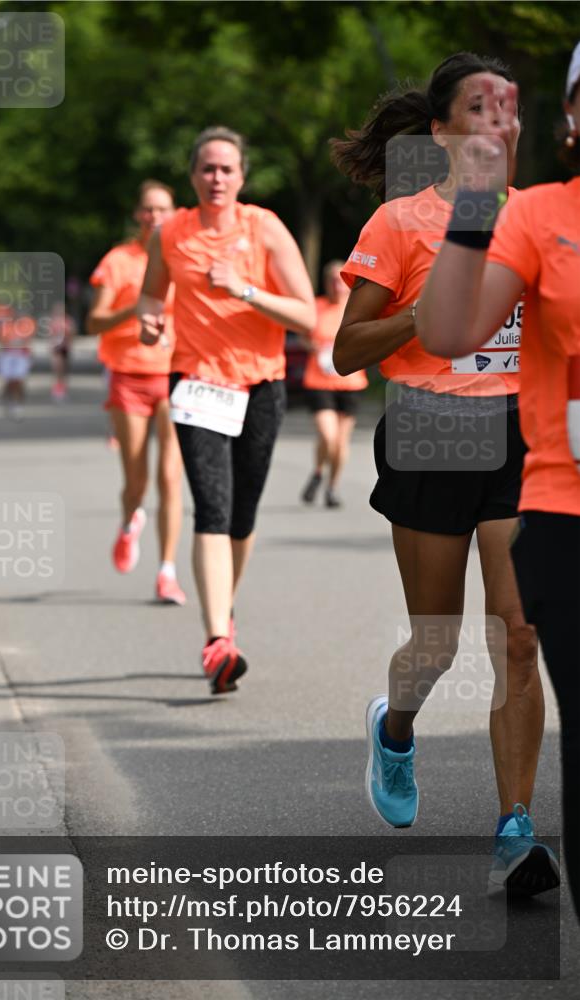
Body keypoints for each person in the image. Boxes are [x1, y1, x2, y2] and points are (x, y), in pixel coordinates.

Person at [331, 52, 558, 895]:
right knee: (434, 642)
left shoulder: (536, 220)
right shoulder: (399, 222)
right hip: (429, 430)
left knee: (518, 636)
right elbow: (344, 351)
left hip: (517, 435)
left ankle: (514, 831)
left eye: (508, 110)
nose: (498, 124)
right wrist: (415, 320)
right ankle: (394, 728)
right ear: (439, 131)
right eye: (478, 109)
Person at [416, 46, 580, 917]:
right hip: (532, 484)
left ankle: (514, 824)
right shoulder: (534, 215)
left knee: (515, 640)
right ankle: (411, 735)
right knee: (461, 642)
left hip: (518, 458)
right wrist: (478, 203)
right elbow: (441, 333)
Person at [137, 126, 315, 693]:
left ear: (242, 177)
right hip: (196, 384)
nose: (217, 178)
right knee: (211, 508)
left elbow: (307, 315)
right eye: (207, 168)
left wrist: (243, 289)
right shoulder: (170, 232)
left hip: (260, 385)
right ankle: (217, 640)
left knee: (242, 516)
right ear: (193, 175)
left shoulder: (264, 227)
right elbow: (150, 295)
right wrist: (149, 321)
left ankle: (225, 611)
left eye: (227, 169)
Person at [87, 180, 186, 605]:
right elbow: (94, 321)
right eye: (148, 209)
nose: (154, 216)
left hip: (176, 374)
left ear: (174, 213)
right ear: (137, 214)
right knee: (136, 480)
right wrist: (136, 307)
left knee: (170, 477)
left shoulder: (184, 257)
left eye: (162, 209)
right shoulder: (119, 261)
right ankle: (130, 520)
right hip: (128, 376)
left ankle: (167, 571)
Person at [300, 260, 368, 508]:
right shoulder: (316, 307)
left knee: (340, 441)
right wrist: (313, 346)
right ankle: (319, 471)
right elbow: (302, 334)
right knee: (328, 436)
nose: (336, 285)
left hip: (350, 382)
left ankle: (332, 487)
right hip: (319, 381)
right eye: (332, 281)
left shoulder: (358, 308)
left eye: (340, 280)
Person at [0, 309, 36, 420]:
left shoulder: (25, 326)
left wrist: (29, 355)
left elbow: (28, 342)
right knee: (9, 381)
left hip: (21, 356)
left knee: (19, 381)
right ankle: (8, 400)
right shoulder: (6, 327)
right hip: (8, 356)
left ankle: (19, 404)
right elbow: (1, 341)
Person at [48, 302, 76, 401]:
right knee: (57, 368)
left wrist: (69, 343)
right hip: (56, 348)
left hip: (64, 348)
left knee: (64, 370)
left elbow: (72, 334)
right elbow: (50, 335)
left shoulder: (67, 321)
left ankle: (63, 389)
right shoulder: (53, 321)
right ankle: (57, 389)